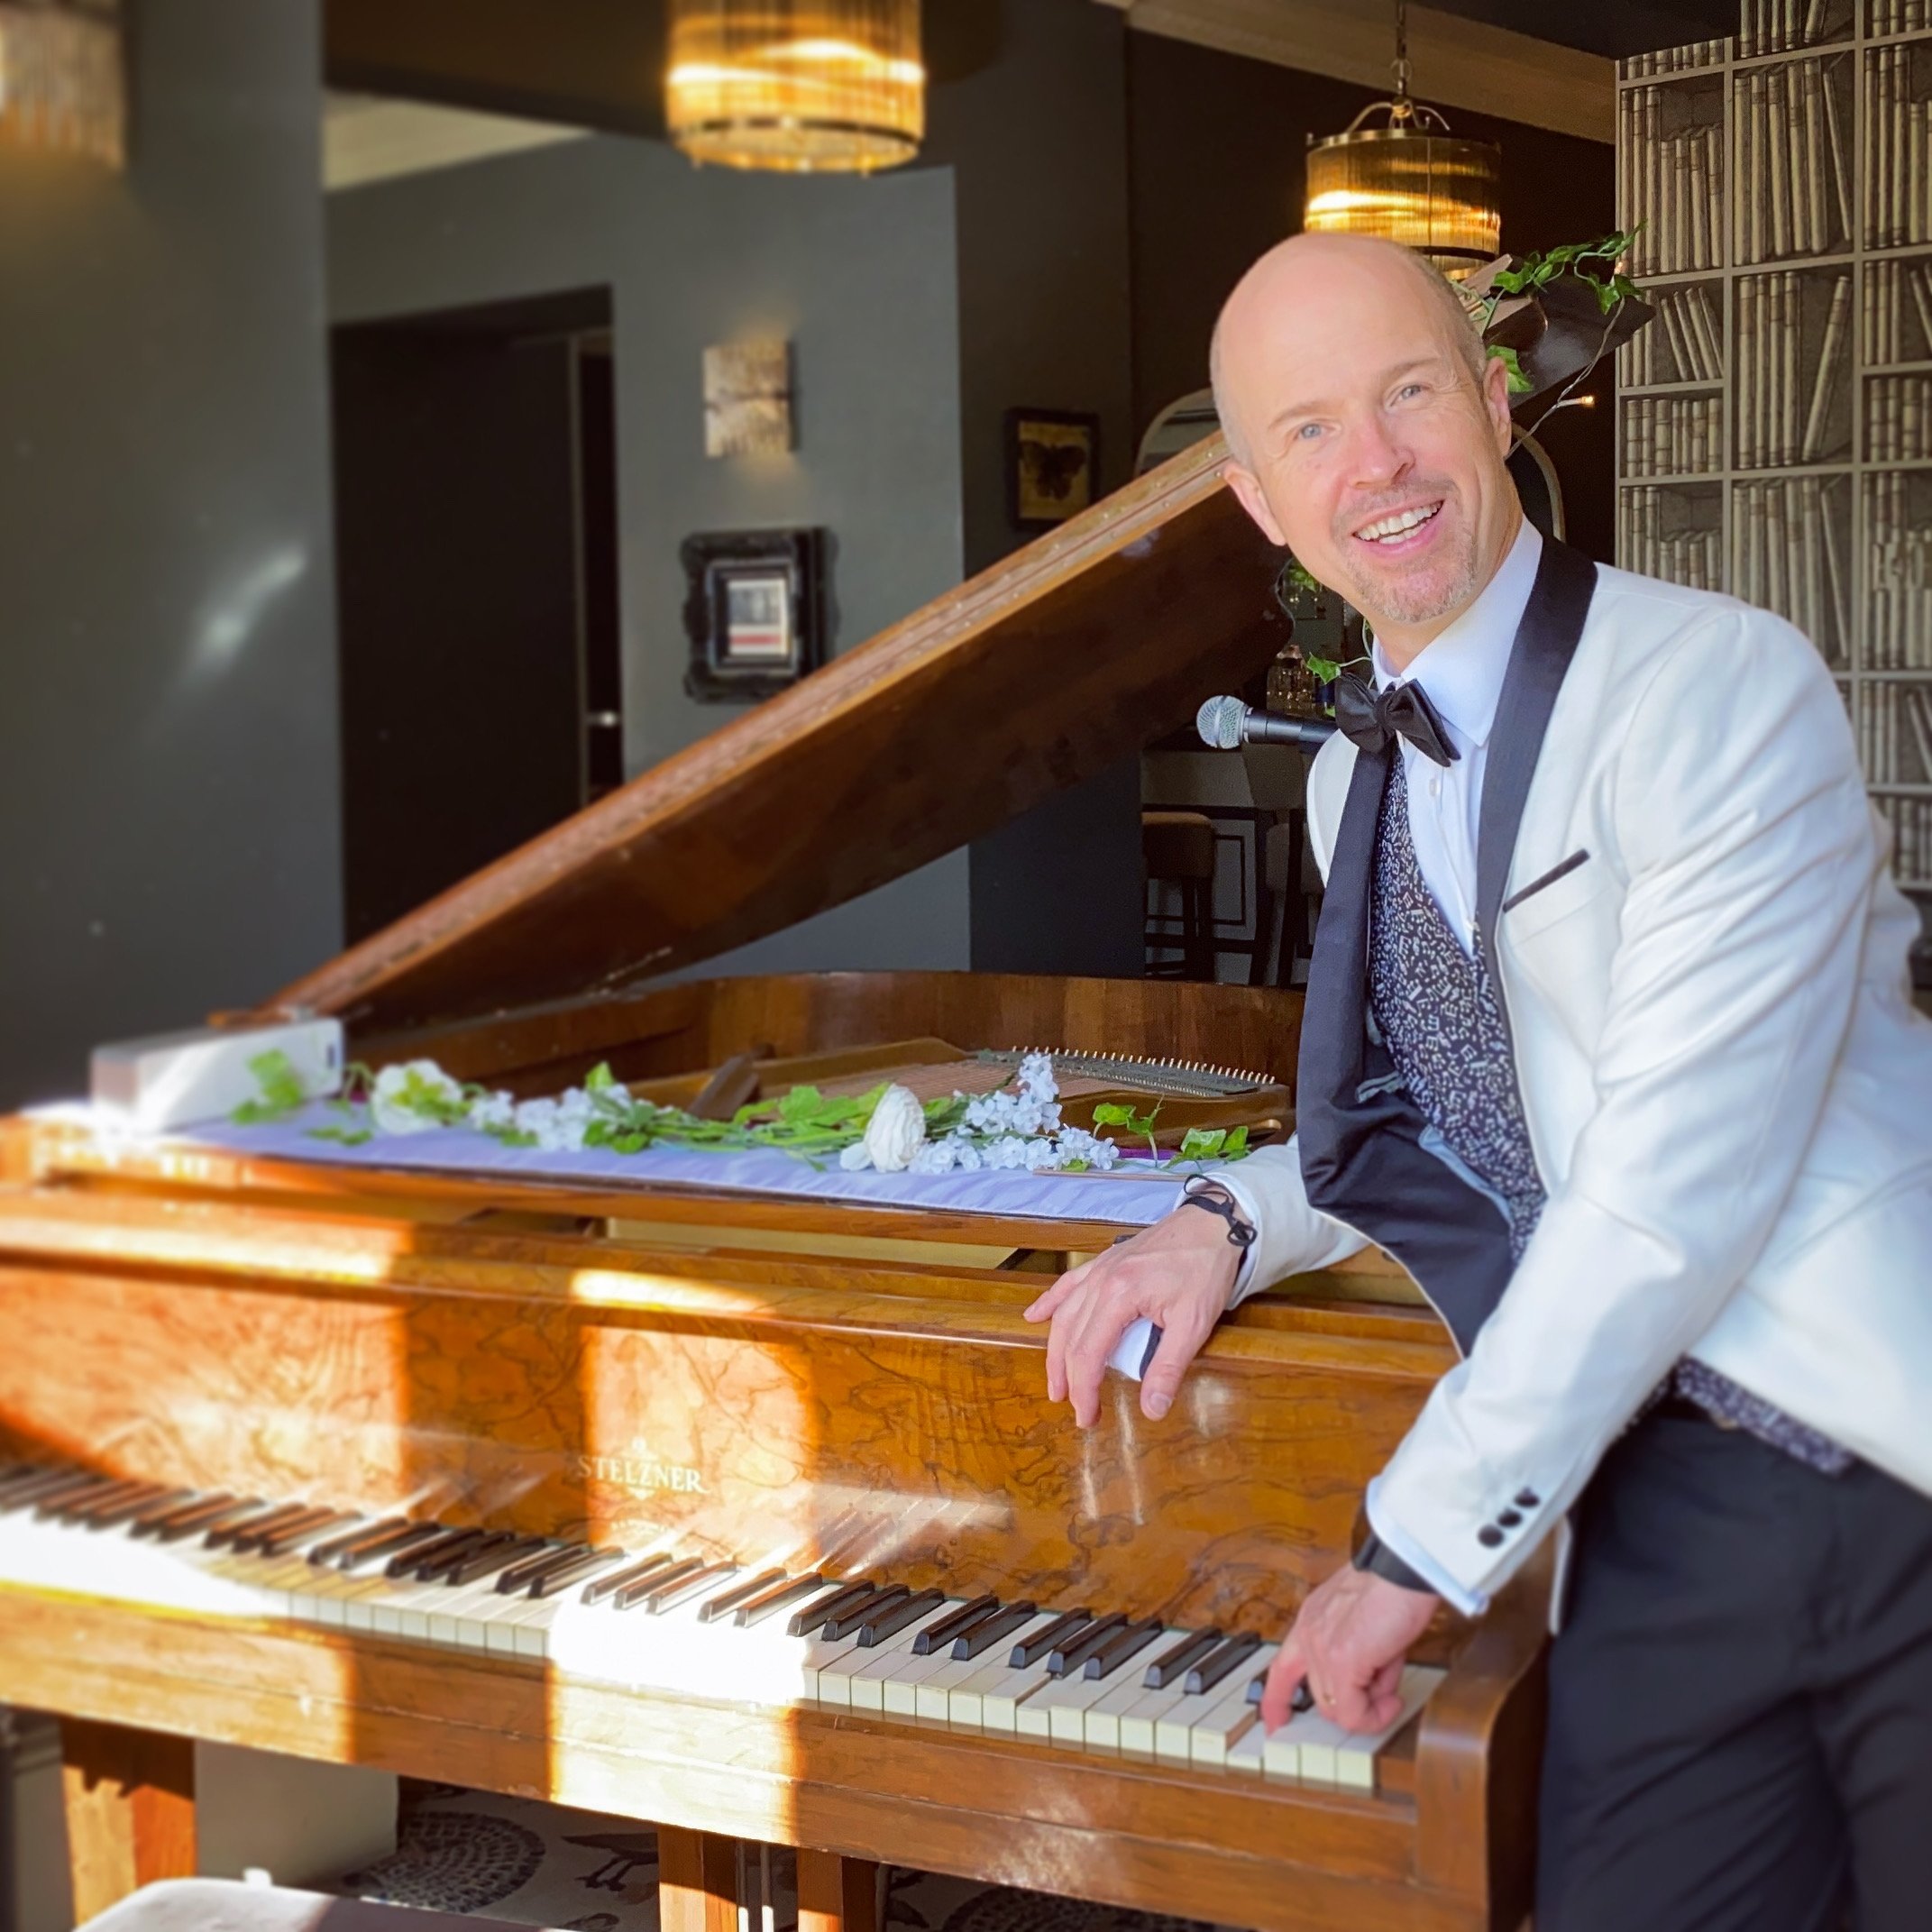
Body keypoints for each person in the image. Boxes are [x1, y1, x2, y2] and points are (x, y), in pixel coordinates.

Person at [1025, 232, 1932, 1930]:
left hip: (1886, 1463)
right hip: (1650, 1500)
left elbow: (1667, 1171)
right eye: (1308, 432)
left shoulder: (1718, 687)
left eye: (1408, 393)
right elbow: (1459, 1107)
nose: (1373, 465)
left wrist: (1407, 1558)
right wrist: (1228, 1215)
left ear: (1495, 401)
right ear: (1259, 503)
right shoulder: (1342, 789)